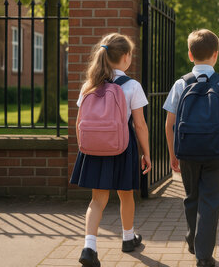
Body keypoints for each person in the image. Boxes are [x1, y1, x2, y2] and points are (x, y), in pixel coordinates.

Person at [70, 33, 152, 267]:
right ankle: (128, 239)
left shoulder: (90, 85)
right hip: (123, 148)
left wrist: (84, 148)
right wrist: (146, 153)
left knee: (97, 200)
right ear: (125, 57)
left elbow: (79, 123)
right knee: (126, 195)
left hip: (94, 149)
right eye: (130, 55)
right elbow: (139, 125)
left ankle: (89, 247)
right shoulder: (132, 86)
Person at [163, 29, 219, 267]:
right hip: (217, 152)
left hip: (187, 151)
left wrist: (172, 154)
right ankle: (204, 255)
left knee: (191, 197)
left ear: (190, 54)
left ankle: (192, 237)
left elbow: (169, 125)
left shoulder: (180, 84)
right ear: (216, 55)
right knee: (211, 201)